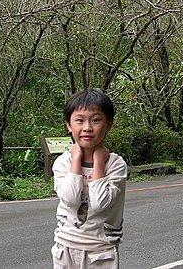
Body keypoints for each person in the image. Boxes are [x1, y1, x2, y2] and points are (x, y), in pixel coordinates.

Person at [51, 88, 127, 269]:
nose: (87, 127)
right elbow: (70, 199)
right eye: (79, 120)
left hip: (101, 250)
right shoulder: (63, 163)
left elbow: (101, 204)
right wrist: (76, 159)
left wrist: (99, 162)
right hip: (65, 246)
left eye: (95, 120)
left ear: (109, 124)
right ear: (69, 125)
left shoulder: (115, 165)